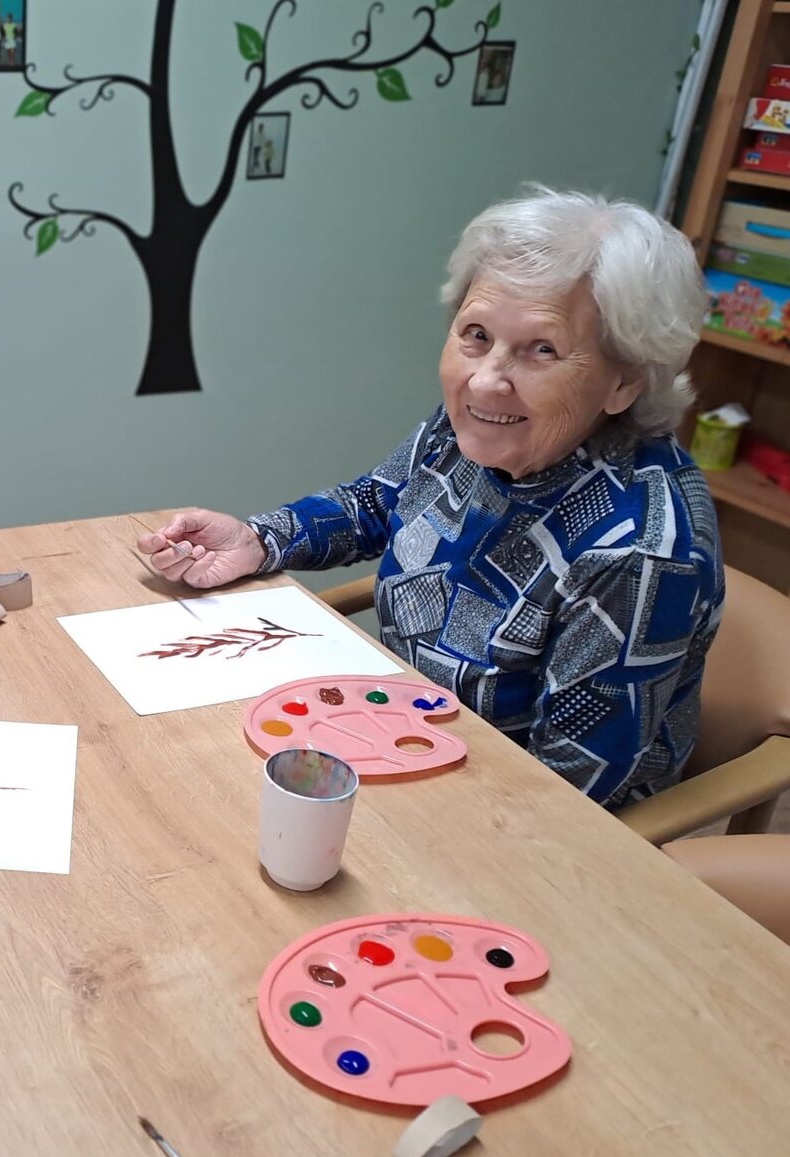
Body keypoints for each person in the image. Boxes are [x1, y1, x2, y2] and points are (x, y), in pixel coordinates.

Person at [139, 186, 723, 809]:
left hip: (496, 809)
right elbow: (378, 503)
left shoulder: (637, 554)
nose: (486, 380)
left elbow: (565, 792)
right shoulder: (481, 427)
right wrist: (259, 540)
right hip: (397, 730)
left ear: (624, 383)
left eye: (542, 349)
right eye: (477, 334)